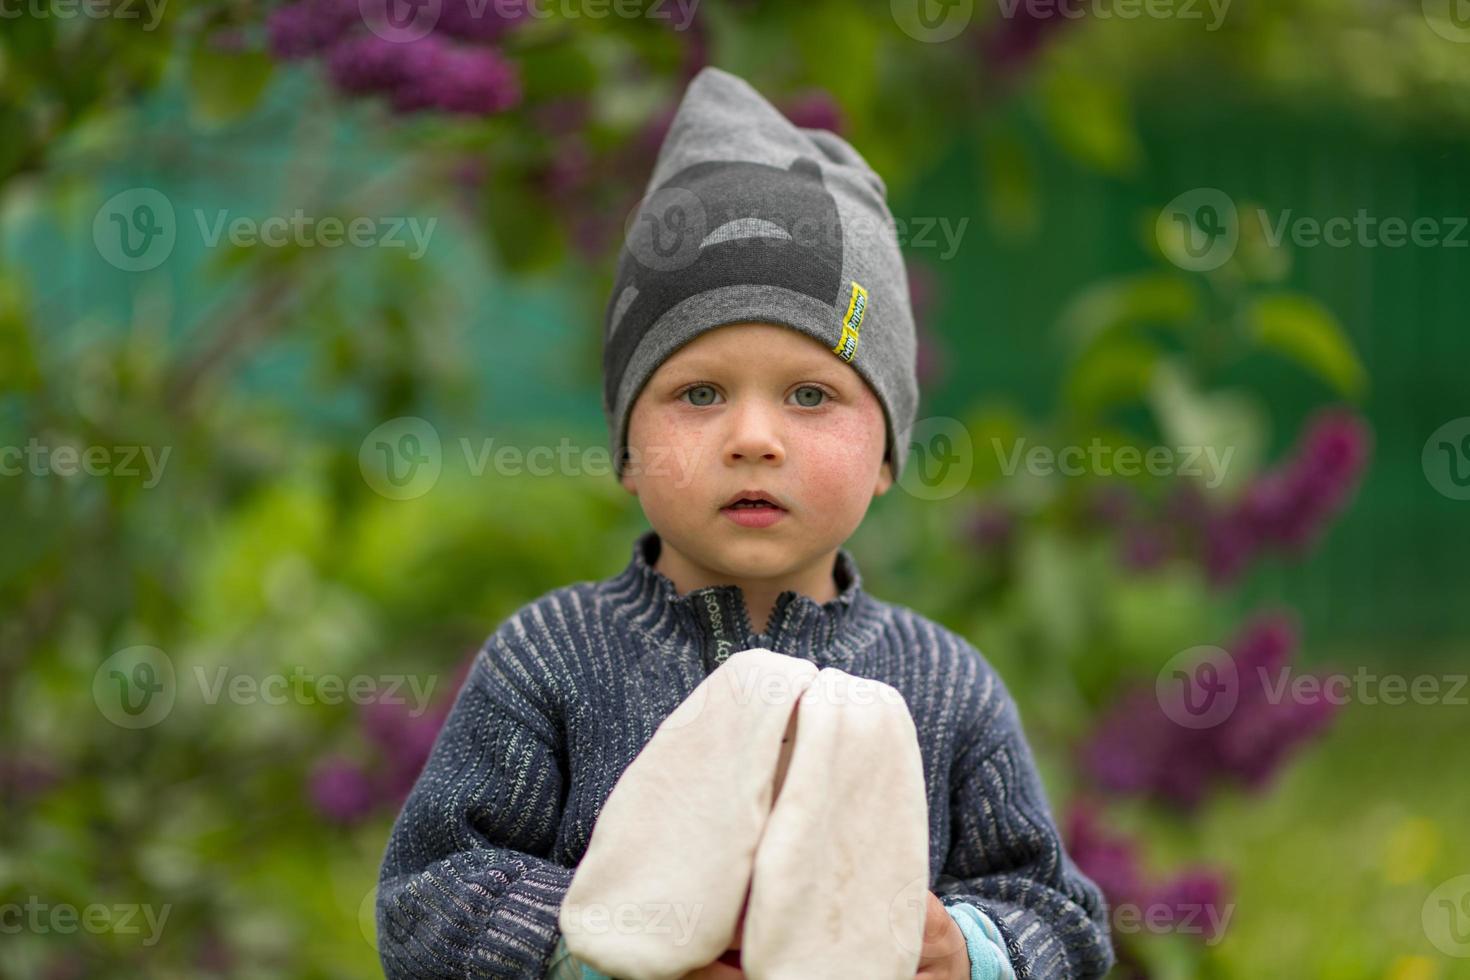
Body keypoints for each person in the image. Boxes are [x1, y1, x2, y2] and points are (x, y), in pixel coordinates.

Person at [375, 65, 1114, 980]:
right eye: (699, 393)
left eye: (811, 394)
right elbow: (431, 894)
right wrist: (593, 949)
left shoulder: (946, 690)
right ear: (627, 448)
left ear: (887, 453)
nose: (754, 438)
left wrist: (967, 950)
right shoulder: (553, 660)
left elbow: (1061, 917)